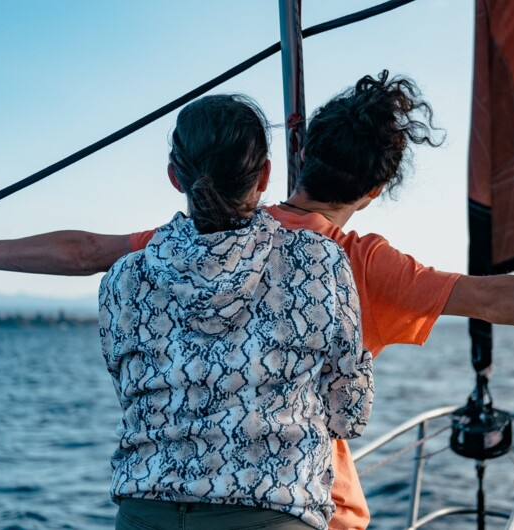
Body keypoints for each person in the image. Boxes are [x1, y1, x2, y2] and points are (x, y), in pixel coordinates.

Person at [0, 71, 514, 530]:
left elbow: (83, 253)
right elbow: (498, 298)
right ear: (375, 190)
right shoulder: (357, 263)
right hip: (303, 510)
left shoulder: (199, 230)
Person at [80, 94, 374, 529]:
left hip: (146, 514)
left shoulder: (124, 277)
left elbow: (134, 394)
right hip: (272, 515)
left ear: (174, 177)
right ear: (265, 175)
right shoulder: (319, 261)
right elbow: (348, 415)